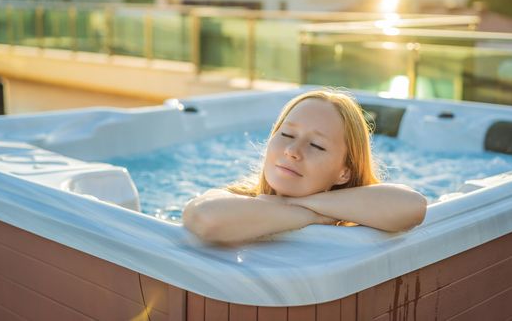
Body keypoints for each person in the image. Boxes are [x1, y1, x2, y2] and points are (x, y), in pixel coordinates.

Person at [182, 89, 427, 245]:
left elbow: (413, 207)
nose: (292, 151)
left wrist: (288, 204)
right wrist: (311, 214)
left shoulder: (355, 220)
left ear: (345, 172)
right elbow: (204, 218)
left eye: (317, 146)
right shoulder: (236, 197)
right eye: (287, 134)